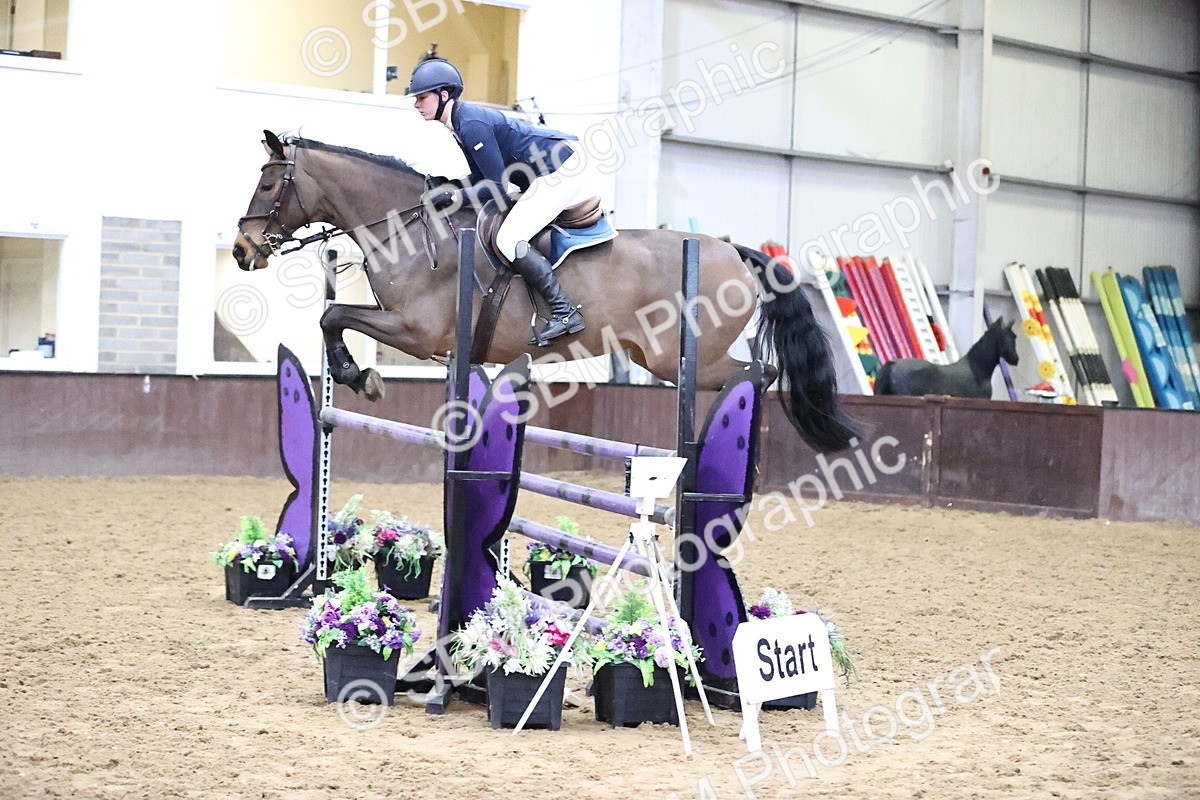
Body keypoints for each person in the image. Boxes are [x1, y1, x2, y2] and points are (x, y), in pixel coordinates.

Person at [407, 56, 591, 346]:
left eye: (421, 97)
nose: (416, 104)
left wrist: (455, 196)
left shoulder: (471, 125)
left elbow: (497, 187)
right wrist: (449, 185)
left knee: (508, 238)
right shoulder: (459, 124)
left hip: (562, 167)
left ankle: (564, 311)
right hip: (542, 170)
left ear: (444, 96)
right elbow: (483, 177)